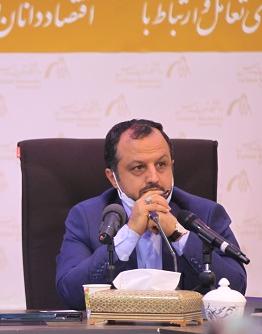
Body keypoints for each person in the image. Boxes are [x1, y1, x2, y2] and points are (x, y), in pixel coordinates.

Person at [55, 119, 246, 310]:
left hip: (184, 328)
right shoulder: (87, 217)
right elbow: (70, 293)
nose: (154, 178)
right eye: (138, 168)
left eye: (161, 164)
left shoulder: (205, 213)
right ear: (113, 177)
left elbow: (236, 288)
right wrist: (129, 234)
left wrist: (179, 234)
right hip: (116, 328)